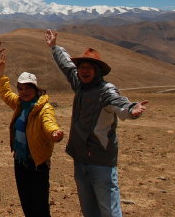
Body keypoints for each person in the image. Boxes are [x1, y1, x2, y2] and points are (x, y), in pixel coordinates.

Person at [45, 29, 149, 217]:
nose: (83, 71)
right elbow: (67, 66)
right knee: (89, 210)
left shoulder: (105, 91)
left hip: (101, 162)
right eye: (82, 67)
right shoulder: (80, 83)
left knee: (109, 211)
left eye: (88, 68)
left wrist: (132, 109)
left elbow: (120, 103)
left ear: (97, 71)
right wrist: (54, 47)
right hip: (80, 159)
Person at [0, 49, 64, 217]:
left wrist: (54, 132)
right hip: (20, 161)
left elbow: (49, 122)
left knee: (39, 206)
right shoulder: (19, 104)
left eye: (27, 88)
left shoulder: (43, 108)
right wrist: (1, 73)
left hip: (37, 164)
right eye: (20, 88)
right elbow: (5, 93)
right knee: (26, 203)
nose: (23, 92)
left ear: (35, 88)